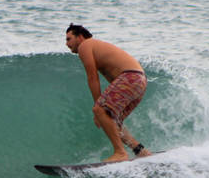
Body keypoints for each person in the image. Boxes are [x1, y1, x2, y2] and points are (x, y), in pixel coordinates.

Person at [65, 23, 153, 163]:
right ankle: (141, 151)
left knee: (99, 109)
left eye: (69, 39)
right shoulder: (97, 47)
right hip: (140, 80)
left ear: (80, 37)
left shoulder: (85, 46)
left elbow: (92, 77)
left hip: (130, 76)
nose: (66, 44)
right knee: (112, 122)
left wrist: (98, 108)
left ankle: (120, 153)